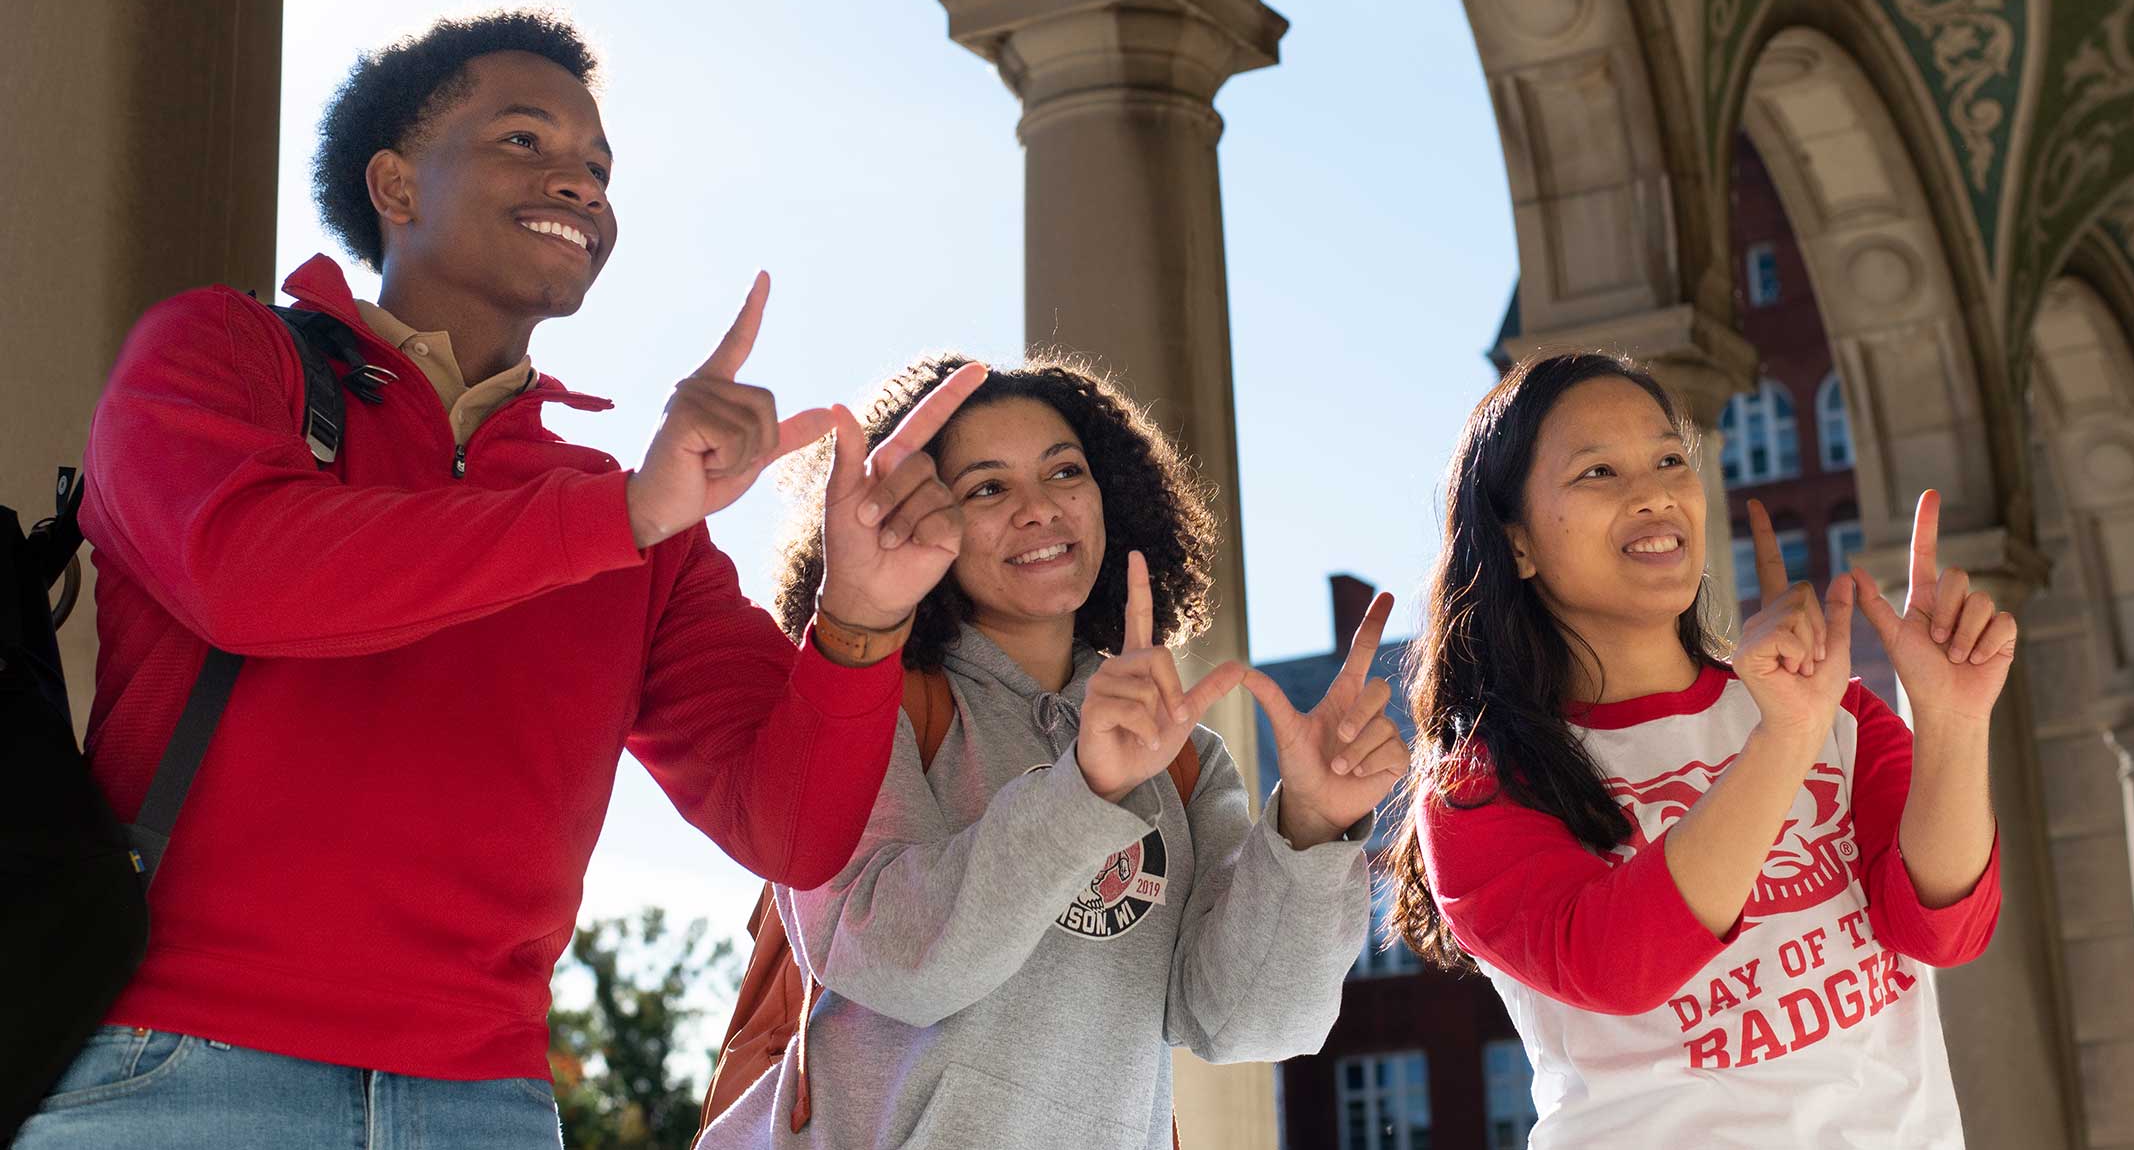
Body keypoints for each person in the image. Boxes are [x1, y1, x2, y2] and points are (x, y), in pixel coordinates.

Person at [18, 9, 984, 1148]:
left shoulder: (634, 522)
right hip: (174, 1073)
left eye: (600, 168)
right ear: (395, 183)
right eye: (525, 140)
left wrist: (862, 618)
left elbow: (789, 830)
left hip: (487, 1106)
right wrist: (618, 516)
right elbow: (245, 577)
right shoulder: (222, 354)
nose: (579, 183)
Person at [698, 354, 1408, 1150]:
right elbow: (900, 965)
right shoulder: (866, 708)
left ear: (1112, 497)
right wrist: (1086, 791)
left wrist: (1310, 830)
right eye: (987, 488)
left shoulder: (1182, 759)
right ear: (917, 519)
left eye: (1065, 472)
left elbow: (1248, 1023)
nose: (1039, 509)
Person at [1385, 351, 2008, 1148]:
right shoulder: (1480, 784)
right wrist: (1784, 739)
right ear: (1517, 544)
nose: (1653, 493)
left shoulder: (1839, 710)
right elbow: (1619, 966)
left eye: (1669, 460)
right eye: (1599, 472)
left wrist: (1953, 721)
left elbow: (1944, 932)